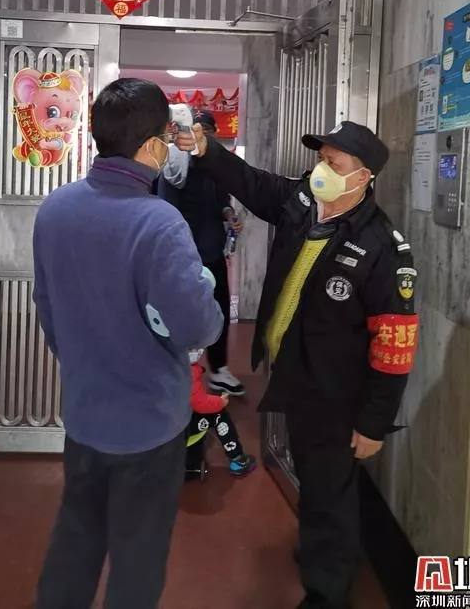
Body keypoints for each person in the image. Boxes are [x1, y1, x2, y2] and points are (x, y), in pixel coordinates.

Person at [175, 120, 420, 609]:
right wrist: (207, 150)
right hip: (298, 373)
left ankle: (328, 591)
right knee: (314, 475)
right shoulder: (303, 202)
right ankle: (318, 552)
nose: (320, 169)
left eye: (333, 162)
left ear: (364, 176)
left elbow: (395, 344)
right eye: (320, 158)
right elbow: (253, 183)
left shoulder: (383, 248)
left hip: (337, 392)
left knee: (329, 491)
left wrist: (373, 422)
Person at [32, 78, 224, 609]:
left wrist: (86, 361)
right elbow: (197, 327)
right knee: (138, 557)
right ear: (152, 144)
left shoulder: (56, 208)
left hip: (85, 413)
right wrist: (206, 300)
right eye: (165, 137)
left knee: (75, 539)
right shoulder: (158, 222)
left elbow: (47, 309)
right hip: (149, 425)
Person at [158, 110, 245, 397]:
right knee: (180, 313)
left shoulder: (216, 167)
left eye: (206, 132)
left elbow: (222, 201)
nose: (200, 137)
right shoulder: (174, 165)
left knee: (219, 311)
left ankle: (218, 370)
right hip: (182, 257)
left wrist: (229, 214)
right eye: (195, 131)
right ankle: (179, 373)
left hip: (212, 252)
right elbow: (164, 208)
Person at [185, 348, 256, 479]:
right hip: (180, 431)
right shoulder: (186, 371)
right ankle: (238, 459)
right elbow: (198, 402)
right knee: (218, 414)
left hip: (155, 431)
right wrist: (220, 402)